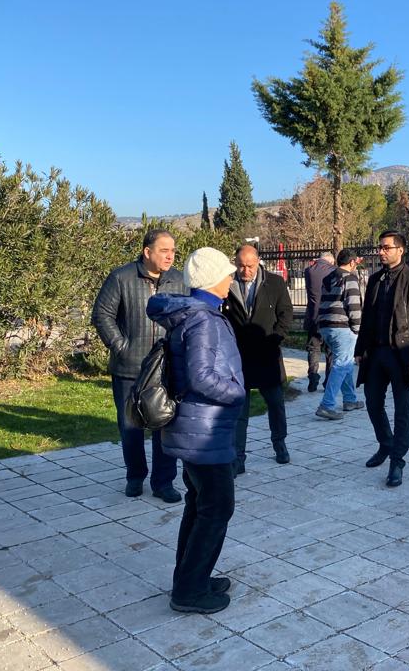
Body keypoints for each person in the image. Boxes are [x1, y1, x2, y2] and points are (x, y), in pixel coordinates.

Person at [146, 248, 243, 614]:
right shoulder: (204, 321)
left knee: (200, 504)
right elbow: (202, 376)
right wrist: (235, 392)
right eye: (227, 274)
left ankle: (191, 578)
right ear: (213, 279)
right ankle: (188, 592)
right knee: (217, 507)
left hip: (195, 428)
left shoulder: (194, 315)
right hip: (204, 432)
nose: (231, 279)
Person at [92, 229, 185, 502]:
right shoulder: (121, 277)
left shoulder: (179, 281)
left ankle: (163, 481)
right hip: (129, 367)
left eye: (173, 250)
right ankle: (135, 476)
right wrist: (121, 345)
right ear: (147, 252)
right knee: (131, 425)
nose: (170, 255)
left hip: (166, 368)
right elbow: (102, 314)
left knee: (165, 423)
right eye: (164, 250)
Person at [354, 230, 409, 487]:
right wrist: (359, 350)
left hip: (401, 355)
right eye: (380, 247)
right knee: (373, 403)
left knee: (402, 409)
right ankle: (385, 443)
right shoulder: (375, 279)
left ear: (401, 250)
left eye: (386, 247)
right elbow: (366, 318)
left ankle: (397, 460)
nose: (381, 251)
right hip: (376, 353)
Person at [221, 244, 293, 473]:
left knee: (276, 404)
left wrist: (275, 338)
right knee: (239, 411)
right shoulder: (227, 284)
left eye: (250, 266)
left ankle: (279, 444)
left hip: (267, 356)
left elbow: (286, 314)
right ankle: (238, 458)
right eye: (241, 265)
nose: (245, 271)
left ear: (258, 261)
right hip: (238, 358)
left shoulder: (275, 283)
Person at [315, 249, 365, 420]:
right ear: (352, 263)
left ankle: (350, 400)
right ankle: (327, 405)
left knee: (345, 363)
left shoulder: (328, 278)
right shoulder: (349, 278)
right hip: (342, 327)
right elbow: (353, 305)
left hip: (325, 326)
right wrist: (357, 329)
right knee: (342, 364)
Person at [304, 252, 336, 392]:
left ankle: (313, 376)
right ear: (330, 261)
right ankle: (328, 381)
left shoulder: (308, 271)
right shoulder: (334, 271)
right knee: (330, 351)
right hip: (329, 316)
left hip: (313, 316)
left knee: (313, 348)